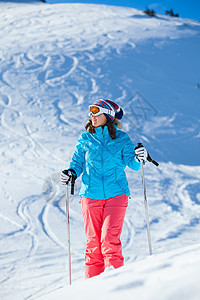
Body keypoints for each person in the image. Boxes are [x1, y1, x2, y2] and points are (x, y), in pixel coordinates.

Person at [60, 99, 148, 279]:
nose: (91, 115)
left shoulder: (122, 138)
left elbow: (133, 164)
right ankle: (92, 290)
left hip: (116, 194)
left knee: (109, 240)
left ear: (108, 115)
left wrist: (141, 157)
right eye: (90, 111)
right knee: (93, 244)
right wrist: (70, 173)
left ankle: (114, 287)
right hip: (90, 195)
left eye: (95, 111)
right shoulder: (85, 138)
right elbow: (77, 163)